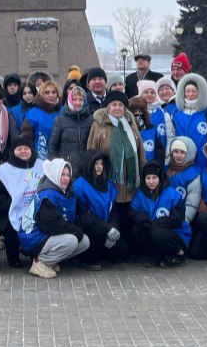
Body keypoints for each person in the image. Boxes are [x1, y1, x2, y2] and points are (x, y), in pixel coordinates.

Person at [18, 159, 90, 278]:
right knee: (72, 240)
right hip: (33, 238)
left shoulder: (65, 192)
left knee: (84, 242)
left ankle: (51, 261)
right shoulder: (47, 195)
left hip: (46, 235)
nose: (66, 178)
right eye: (62, 174)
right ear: (54, 174)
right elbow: (53, 225)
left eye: (68, 175)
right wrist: (77, 231)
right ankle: (39, 262)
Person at [85, 91, 145, 229]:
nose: (117, 108)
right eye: (114, 105)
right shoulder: (98, 125)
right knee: (113, 218)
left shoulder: (131, 124)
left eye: (120, 105)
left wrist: (142, 173)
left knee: (129, 220)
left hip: (130, 184)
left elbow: (140, 151)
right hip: (108, 182)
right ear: (108, 108)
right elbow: (91, 152)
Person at [0, 140, 45, 269]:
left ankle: (35, 253)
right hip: (11, 210)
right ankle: (13, 256)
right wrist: (11, 204)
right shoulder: (3, 171)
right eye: (19, 148)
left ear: (32, 150)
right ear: (13, 151)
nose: (23, 151)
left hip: (39, 209)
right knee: (12, 228)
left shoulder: (43, 166)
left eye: (26, 148)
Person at [72, 153, 131, 268]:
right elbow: (85, 217)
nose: (99, 167)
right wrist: (107, 228)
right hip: (89, 230)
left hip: (105, 227)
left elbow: (113, 212)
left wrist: (114, 229)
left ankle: (103, 254)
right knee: (98, 232)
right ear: (89, 165)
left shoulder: (108, 185)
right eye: (96, 164)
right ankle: (87, 260)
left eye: (101, 164)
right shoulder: (79, 185)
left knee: (122, 247)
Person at [128, 161, 189, 267]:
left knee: (157, 233)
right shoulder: (140, 193)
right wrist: (142, 218)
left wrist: (154, 224)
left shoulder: (171, 193)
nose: (151, 182)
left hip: (175, 234)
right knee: (137, 230)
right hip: (153, 230)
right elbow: (132, 212)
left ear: (160, 178)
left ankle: (179, 254)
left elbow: (177, 219)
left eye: (154, 178)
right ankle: (155, 255)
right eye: (148, 178)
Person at [49, 84, 94, 169]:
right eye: (74, 99)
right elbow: (53, 146)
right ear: (70, 100)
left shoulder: (91, 120)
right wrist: (54, 166)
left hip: (87, 167)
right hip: (67, 168)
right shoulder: (60, 120)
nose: (78, 102)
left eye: (81, 99)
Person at [169, 73, 207, 156]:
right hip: (180, 157)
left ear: (199, 92)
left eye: (194, 91)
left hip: (202, 157)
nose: (190, 94)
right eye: (187, 91)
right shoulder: (176, 113)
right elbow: (171, 136)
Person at [24, 78, 63, 161]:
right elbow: (26, 139)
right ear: (41, 94)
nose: (51, 95)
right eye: (47, 92)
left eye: (54, 92)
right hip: (39, 159)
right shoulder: (32, 114)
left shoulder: (64, 111)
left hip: (61, 159)